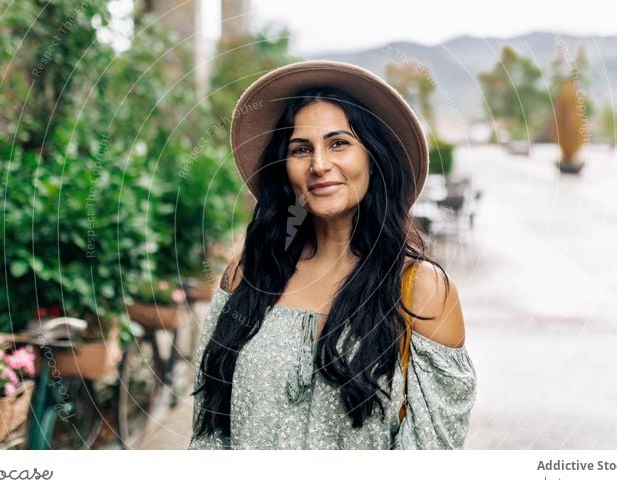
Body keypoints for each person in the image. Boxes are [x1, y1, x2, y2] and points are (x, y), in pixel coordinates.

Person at [188, 60, 476, 450]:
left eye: (338, 143)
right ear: (284, 168)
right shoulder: (246, 275)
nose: (319, 165)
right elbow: (209, 430)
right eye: (301, 149)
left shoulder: (420, 289)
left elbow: (432, 453)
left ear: (374, 156)